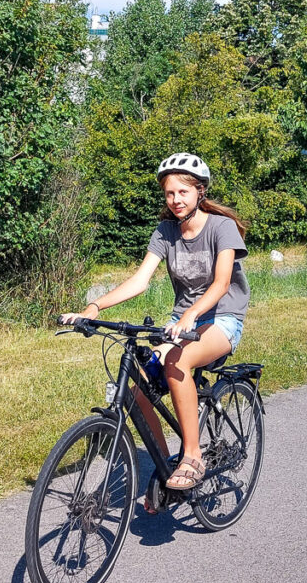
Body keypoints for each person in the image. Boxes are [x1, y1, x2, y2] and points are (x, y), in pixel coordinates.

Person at [61, 152, 249, 493]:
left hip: (222, 318)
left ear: (200, 192)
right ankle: (165, 472)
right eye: (169, 193)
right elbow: (140, 280)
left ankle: (192, 455)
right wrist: (94, 306)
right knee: (140, 389)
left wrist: (191, 314)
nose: (175, 200)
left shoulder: (222, 227)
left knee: (179, 359)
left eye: (183, 192)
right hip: (182, 322)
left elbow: (222, 283)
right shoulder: (165, 231)